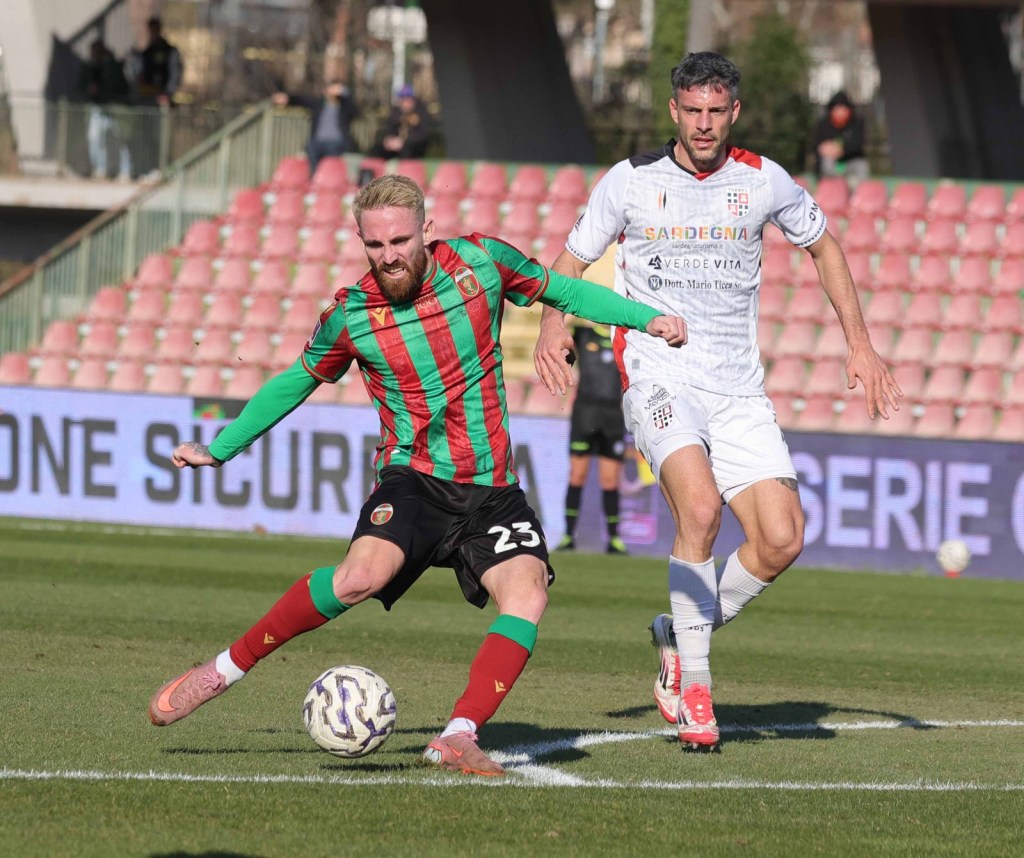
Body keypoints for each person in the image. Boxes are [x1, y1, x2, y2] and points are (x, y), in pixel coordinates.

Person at [147, 174, 687, 777]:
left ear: (426, 230)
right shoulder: (352, 315)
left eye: (400, 241)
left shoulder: (482, 262)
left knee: (528, 591)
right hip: (415, 478)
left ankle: (459, 733)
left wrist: (646, 318)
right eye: (375, 246)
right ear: (360, 240)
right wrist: (221, 449)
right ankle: (222, 670)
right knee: (359, 578)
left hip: (492, 488)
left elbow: (565, 292)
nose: (389, 257)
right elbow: (295, 382)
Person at [533, 52, 902, 751]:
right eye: (692, 111)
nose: (703, 124)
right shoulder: (631, 182)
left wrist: (861, 343)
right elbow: (572, 261)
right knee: (698, 510)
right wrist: (553, 323)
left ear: (734, 112)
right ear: (674, 111)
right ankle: (695, 689)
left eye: (716, 112)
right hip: (659, 373)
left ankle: (678, 632)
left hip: (738, 389)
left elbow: (825, 248)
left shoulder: (764, 181)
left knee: (782, 538)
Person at [555, 322, 630, 555]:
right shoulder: (583, 333)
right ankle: (568, 536)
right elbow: (561, 336)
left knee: (610, 480)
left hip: (613, 416)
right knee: (577, 476)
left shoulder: (623, 337)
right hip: (585, 414)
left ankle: (614, 539)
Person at [129, 16, 182, 177]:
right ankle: (147, 167)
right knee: (145, 136)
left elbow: (175, 74)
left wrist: (168, 94)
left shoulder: (169, 51)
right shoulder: (147, 52)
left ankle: (162, 169)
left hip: (161, 102)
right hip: (147, 100)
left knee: (160, 136)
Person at [273, 80, 360, 175]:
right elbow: (302, 100)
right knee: (311, 149)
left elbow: (355, 112)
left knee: (330, 159)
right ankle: (314, 180)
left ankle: (328, 178)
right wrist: (288, 99)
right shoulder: (319, 104)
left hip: (336, 142)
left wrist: (345, 94)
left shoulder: (344, 108)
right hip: (317, 141)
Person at [79, 39, 133, 180]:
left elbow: (118, 86)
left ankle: (125, 171)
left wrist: (102, 91)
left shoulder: (112, 66)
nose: (94, 55)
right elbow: (81, 85)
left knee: (122, 140)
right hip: (98, 109)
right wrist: (90, 91)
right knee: (95, 139)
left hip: (116, 110)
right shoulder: (90, 67)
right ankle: (100, 169)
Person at [813, 90, 869, 184]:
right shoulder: (823, 125)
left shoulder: (856, 124)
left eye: (844, 109)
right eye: (837, 109)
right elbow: (816, 145)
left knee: (861, 165)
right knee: (826, 162)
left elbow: (859, 144)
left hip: (850, 162)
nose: (840, 112)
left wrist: (840, 149)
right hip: (831, 164)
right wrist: (823, 148)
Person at [372, 84, 430, 159]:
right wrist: (388, 139)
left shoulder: (421, 111)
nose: (404, 102)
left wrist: (403, 142)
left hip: (413, 146)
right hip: (395, 144)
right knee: (376, 150)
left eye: (407, 99)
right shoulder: (396, 111)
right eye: (402, 99)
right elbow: (389, 127)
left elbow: (422, 134)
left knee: (406, 151)